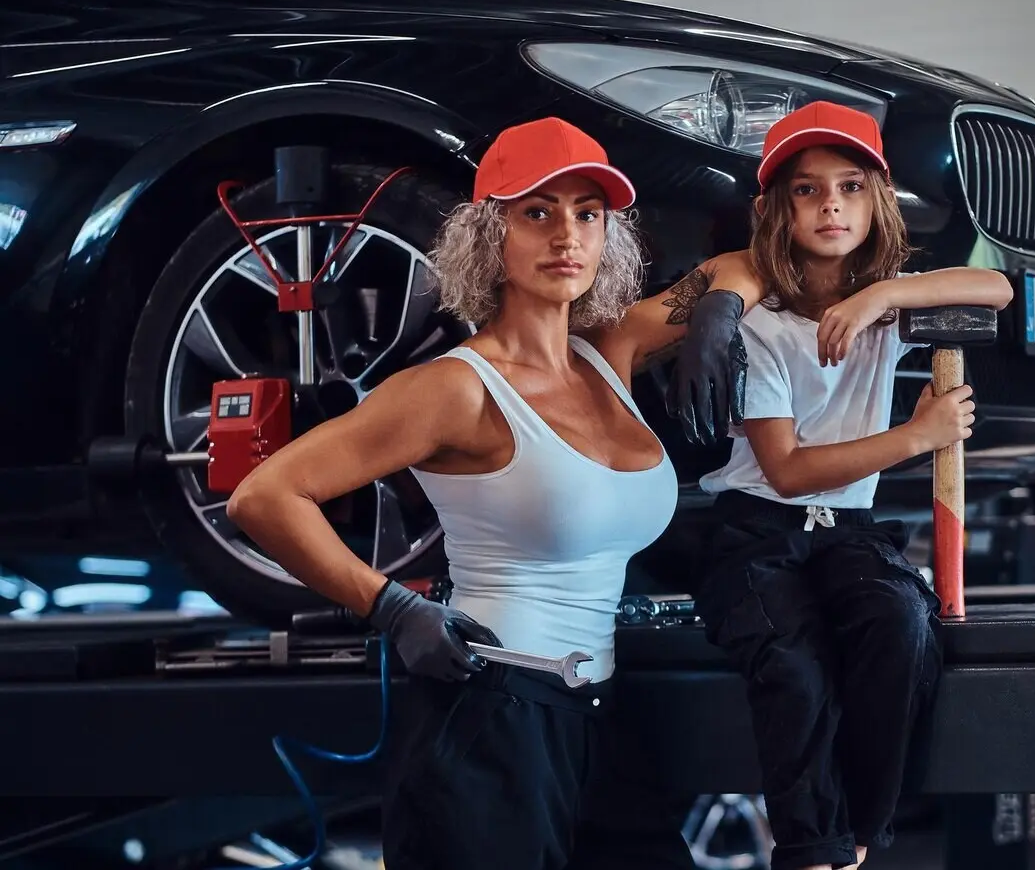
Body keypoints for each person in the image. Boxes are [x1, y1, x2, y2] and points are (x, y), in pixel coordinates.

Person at [226, 115, 764, 869]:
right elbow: (264, 496)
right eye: (536, 213)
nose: (566, 236)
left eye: (588, 213)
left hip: (596, 718)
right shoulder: (455, 390)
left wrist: (716, 310)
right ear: (490, 235)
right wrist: (392, 607)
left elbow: (754, 261)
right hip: (487, 713)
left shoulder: (608, 354)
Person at [690, 101, 1014, 870]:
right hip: (757, 531)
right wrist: (916, 438)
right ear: (775, 209)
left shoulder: (884, 309)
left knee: (902, 625)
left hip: (848, 532)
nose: (831, 205)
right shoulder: (759, 324)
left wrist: (883, 296)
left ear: (877, 202)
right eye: (807, 190)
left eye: (851, 187)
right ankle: (808, 851)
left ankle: (861, 838)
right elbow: (788, 469)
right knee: (793, 665)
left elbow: (996, 289)